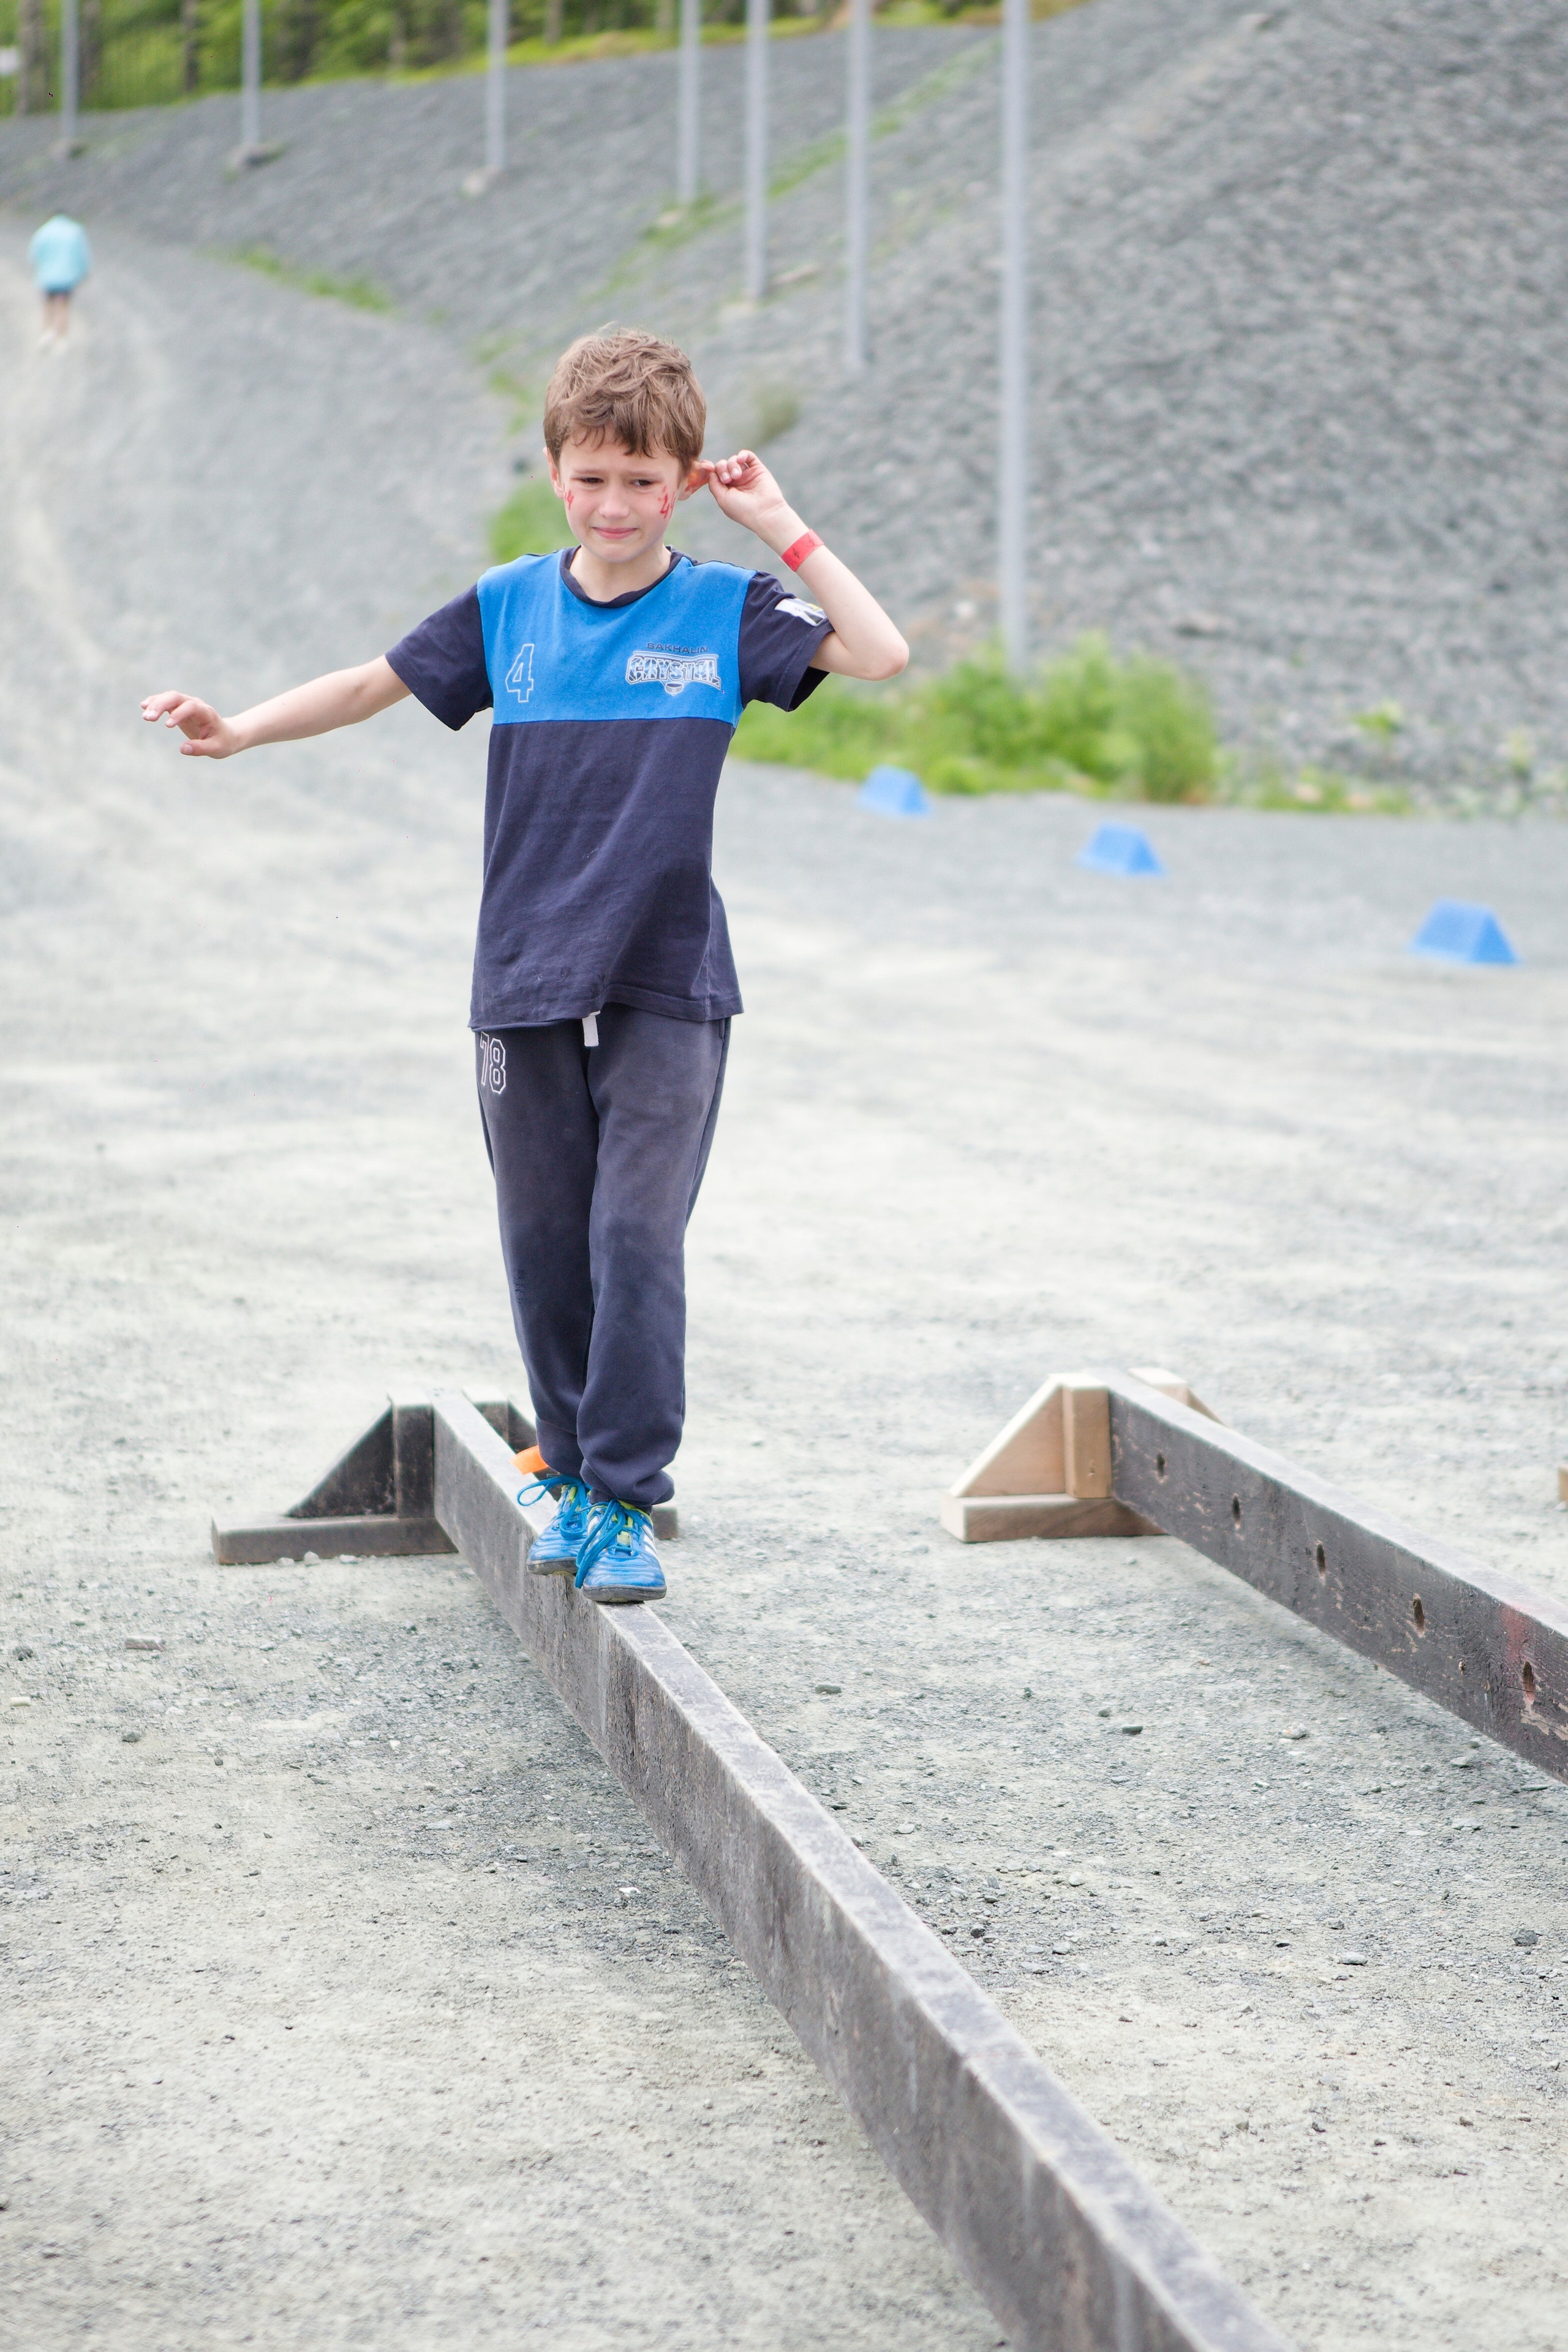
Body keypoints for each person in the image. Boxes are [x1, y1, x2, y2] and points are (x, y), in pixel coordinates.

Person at [140, 328, 907, 1604]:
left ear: (681, 482)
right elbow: (369, 686)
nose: (617, 507)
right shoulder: (508, 607)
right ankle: (565, 1465)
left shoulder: (725, 609)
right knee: (546, 1239)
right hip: (525, 974)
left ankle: (621, 1496)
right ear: (557, 469)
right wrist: (241, 731)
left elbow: (879, 655)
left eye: (645, 483)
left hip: (666, 977)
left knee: (635, 1233)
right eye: (593, 478)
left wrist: (779, 522)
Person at [29, 213, 92, 351]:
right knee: (63, 306)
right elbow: (82, 255)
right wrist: (84, 272)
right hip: (66, 278)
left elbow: (34, 255)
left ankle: (46, 334)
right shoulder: (75, 232)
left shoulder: (43, 231)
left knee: (48, 304)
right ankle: (61, 339)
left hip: (48, 277)